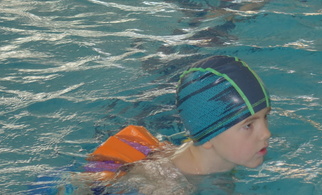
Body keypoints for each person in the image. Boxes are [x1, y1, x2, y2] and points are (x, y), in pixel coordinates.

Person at [93, 55, 272, 194]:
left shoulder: (217, 158)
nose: (266, 133)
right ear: (208, 137)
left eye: (265, 117)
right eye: (248, 125)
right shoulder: (169, 188)